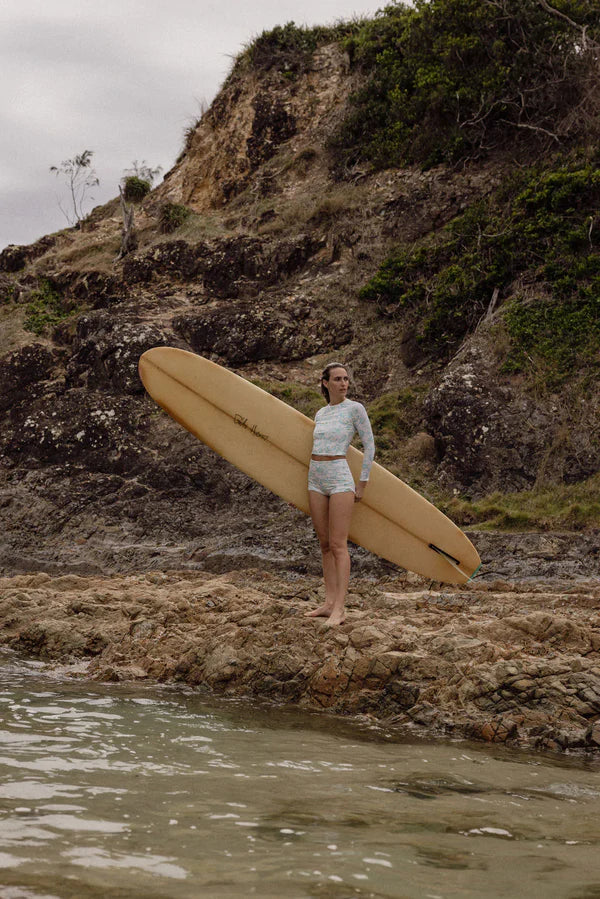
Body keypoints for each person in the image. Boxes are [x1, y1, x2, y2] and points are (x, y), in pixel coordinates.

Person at [305, 362, 375, 626]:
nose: (344, 383)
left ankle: (340, 608)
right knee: (324, 544)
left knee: (338, 545)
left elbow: (369, 446)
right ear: (325, 383)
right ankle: (328, 603)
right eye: (337, 379)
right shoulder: (321, 413)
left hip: (339, 478)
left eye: (346, 379)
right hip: (315, 477)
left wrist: (363, 482)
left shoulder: (355, 409)